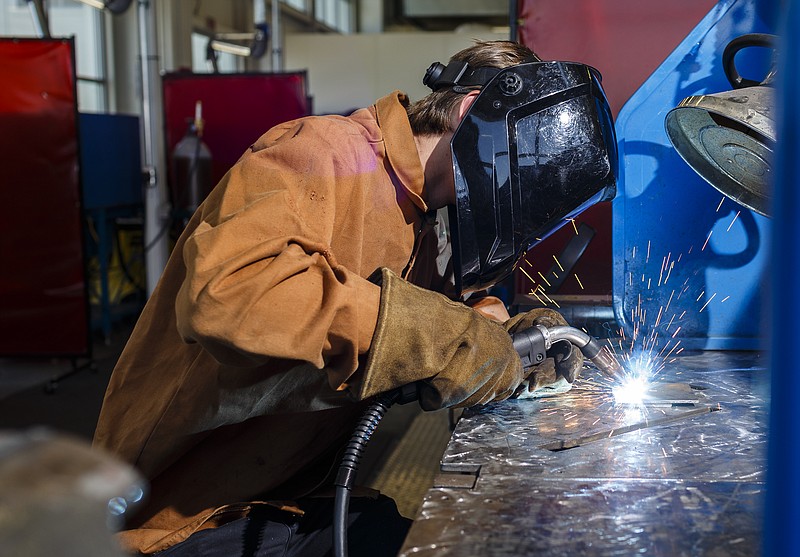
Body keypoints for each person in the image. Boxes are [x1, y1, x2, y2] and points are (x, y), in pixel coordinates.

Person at [93, 39, 617, 556]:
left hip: (287, 498)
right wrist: (446, 339)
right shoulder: (326, 150)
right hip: (181, 522)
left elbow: (453, 320)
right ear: (474, 110)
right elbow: (229, 293)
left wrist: (524, 345)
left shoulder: (428, 224)